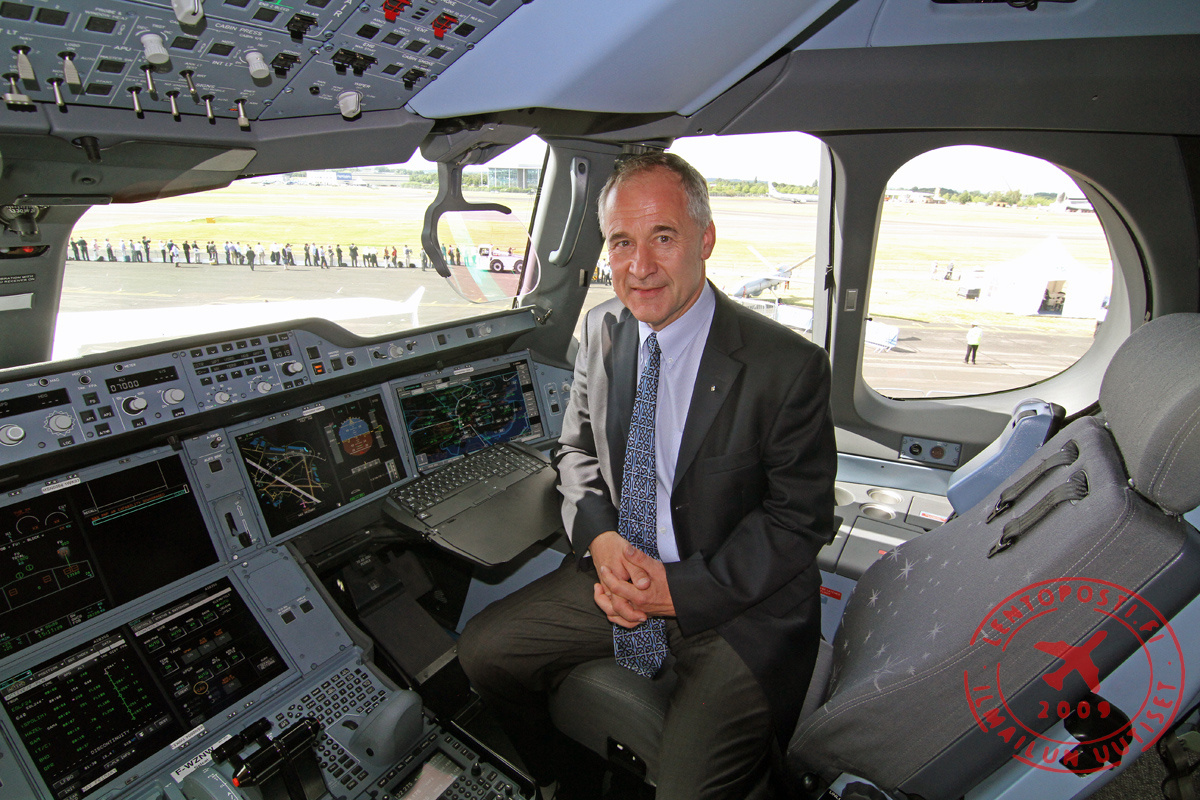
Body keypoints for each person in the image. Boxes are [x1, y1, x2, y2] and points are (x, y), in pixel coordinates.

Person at [458, 153, 836, 800]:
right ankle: (562, 779)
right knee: (484, 653)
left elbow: (798, 520)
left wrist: (677, 592)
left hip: (737, 608)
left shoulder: (786, 367)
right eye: (621, 243)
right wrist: (602, 544)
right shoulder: (602, 329)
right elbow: (575, 453)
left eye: (663, 237)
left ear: (705, 239)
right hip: (621, 569)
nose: (639, 267)